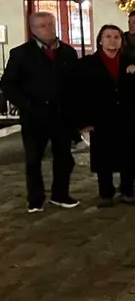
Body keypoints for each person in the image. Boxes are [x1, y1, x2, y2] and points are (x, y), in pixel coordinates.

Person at [0, 12, 80, 212]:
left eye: (51, 24)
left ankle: (60, 195)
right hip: (34, 114)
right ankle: (35, 199)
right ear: (33, 29)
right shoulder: (21, 53)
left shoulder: (68, 53)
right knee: (34, 159)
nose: (48, 28)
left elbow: (75, 84)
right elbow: (9, 84)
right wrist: (26, 105)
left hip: (61, 114)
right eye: (42, 25)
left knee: (64, 157)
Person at [75, 25, 135, 207]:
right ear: (100, 40)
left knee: (128, 155)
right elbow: (80, 94)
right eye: (108, 36)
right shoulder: (88, 63)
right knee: (103, 155)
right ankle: (106, 193)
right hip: (100, 116)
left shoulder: (130, 60)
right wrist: (84, 121)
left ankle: (127, 191)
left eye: (116, 37)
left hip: (125, 115)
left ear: (122, 40)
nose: (112, 40)